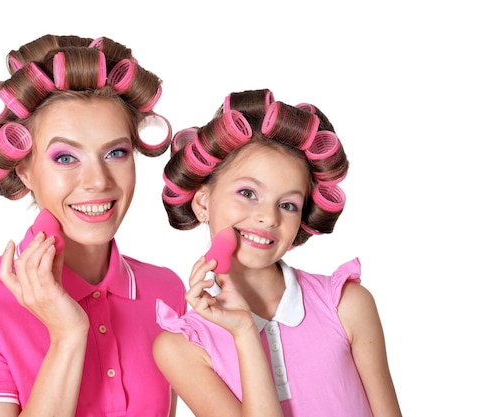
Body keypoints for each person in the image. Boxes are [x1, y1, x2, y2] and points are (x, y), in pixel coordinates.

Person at [0, 34, 187, 417]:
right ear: (25, 170)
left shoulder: (165, 289)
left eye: (116, 152)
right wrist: (68, 336)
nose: (97, 181)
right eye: (65, 158)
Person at [153, 89, 402, 417]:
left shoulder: (346, 305)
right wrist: (244, 333)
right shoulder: (183, 347)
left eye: (287, 204)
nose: (269, 217)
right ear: (202, 203)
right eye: (248, 193)